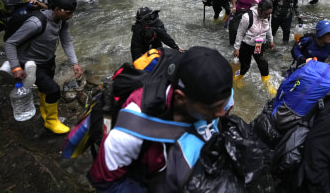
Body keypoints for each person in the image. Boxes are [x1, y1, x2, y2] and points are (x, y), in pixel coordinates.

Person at [88, 46, 234, 192]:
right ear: (180, 98)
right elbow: (104, 181)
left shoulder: (219, 96)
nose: (222, 112)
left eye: (224, 103)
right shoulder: (130, 131)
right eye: (214, 108)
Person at [4, 0, 83, 134]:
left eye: (72, 13)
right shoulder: (36, 23)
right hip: (30, 63)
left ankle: (45, 113)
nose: (71, 16)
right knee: (53, 90)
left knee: (44, 89)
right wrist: (15, 67)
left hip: (48, 59)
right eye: (68, 13)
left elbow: (66, 41)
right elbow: (10, 42)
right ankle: (51, 122)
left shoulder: (63, 20)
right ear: (57, 9)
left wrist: (74, 63)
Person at [233, 0, 276, 95]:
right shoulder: (247, 17)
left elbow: (269, 28)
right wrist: (237, 48)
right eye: (265, 14)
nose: (267, 16)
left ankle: (268, 86)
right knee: (245, 66)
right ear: (259, 10)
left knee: (264, 65)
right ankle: (236, 79)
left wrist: (271, 40)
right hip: (246, 45)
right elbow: (240, 33)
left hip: (260, 44)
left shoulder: (268, 16)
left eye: (269, 14)